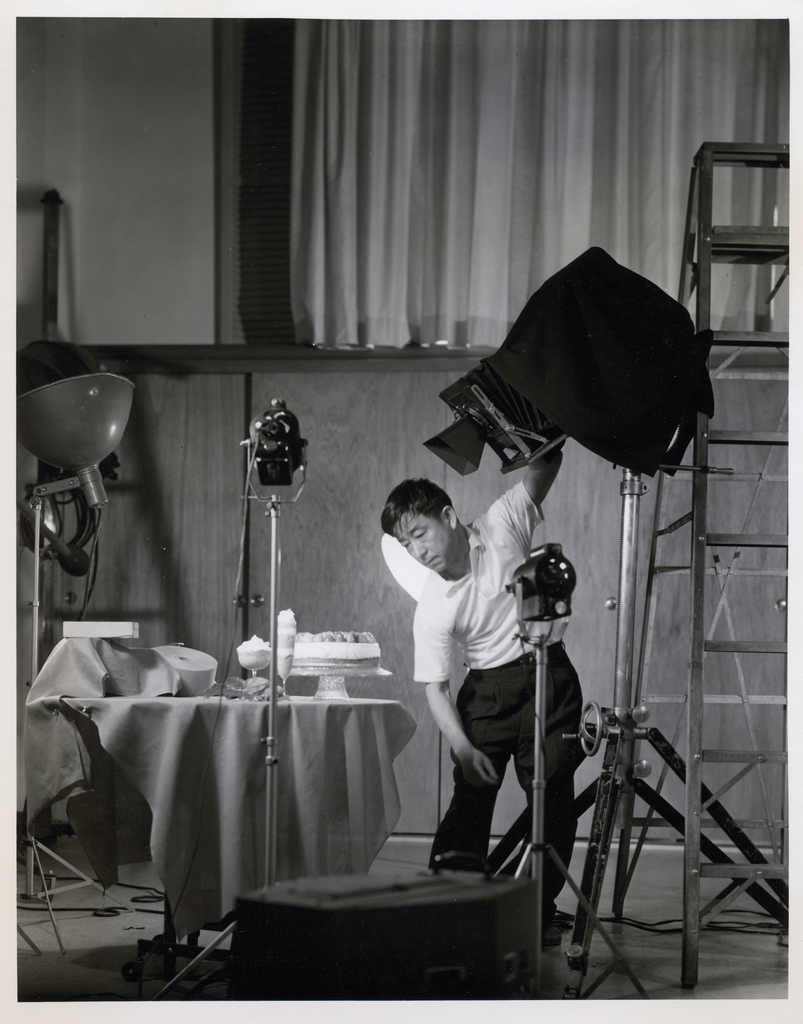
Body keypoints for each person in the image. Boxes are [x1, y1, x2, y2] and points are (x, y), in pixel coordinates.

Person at [381, 453, 583, 943]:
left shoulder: (501, 522)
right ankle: (449, 907)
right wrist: (464, 748)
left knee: (552, 796)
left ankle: (535, 910)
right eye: (406, 544)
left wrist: (512, 434)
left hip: (548, 673)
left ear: (448, 516)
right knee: (471, 797)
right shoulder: (433, 606)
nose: (417, 551)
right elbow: (436, 689)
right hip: (488, 688)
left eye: (420, 534)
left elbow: (547, 461)